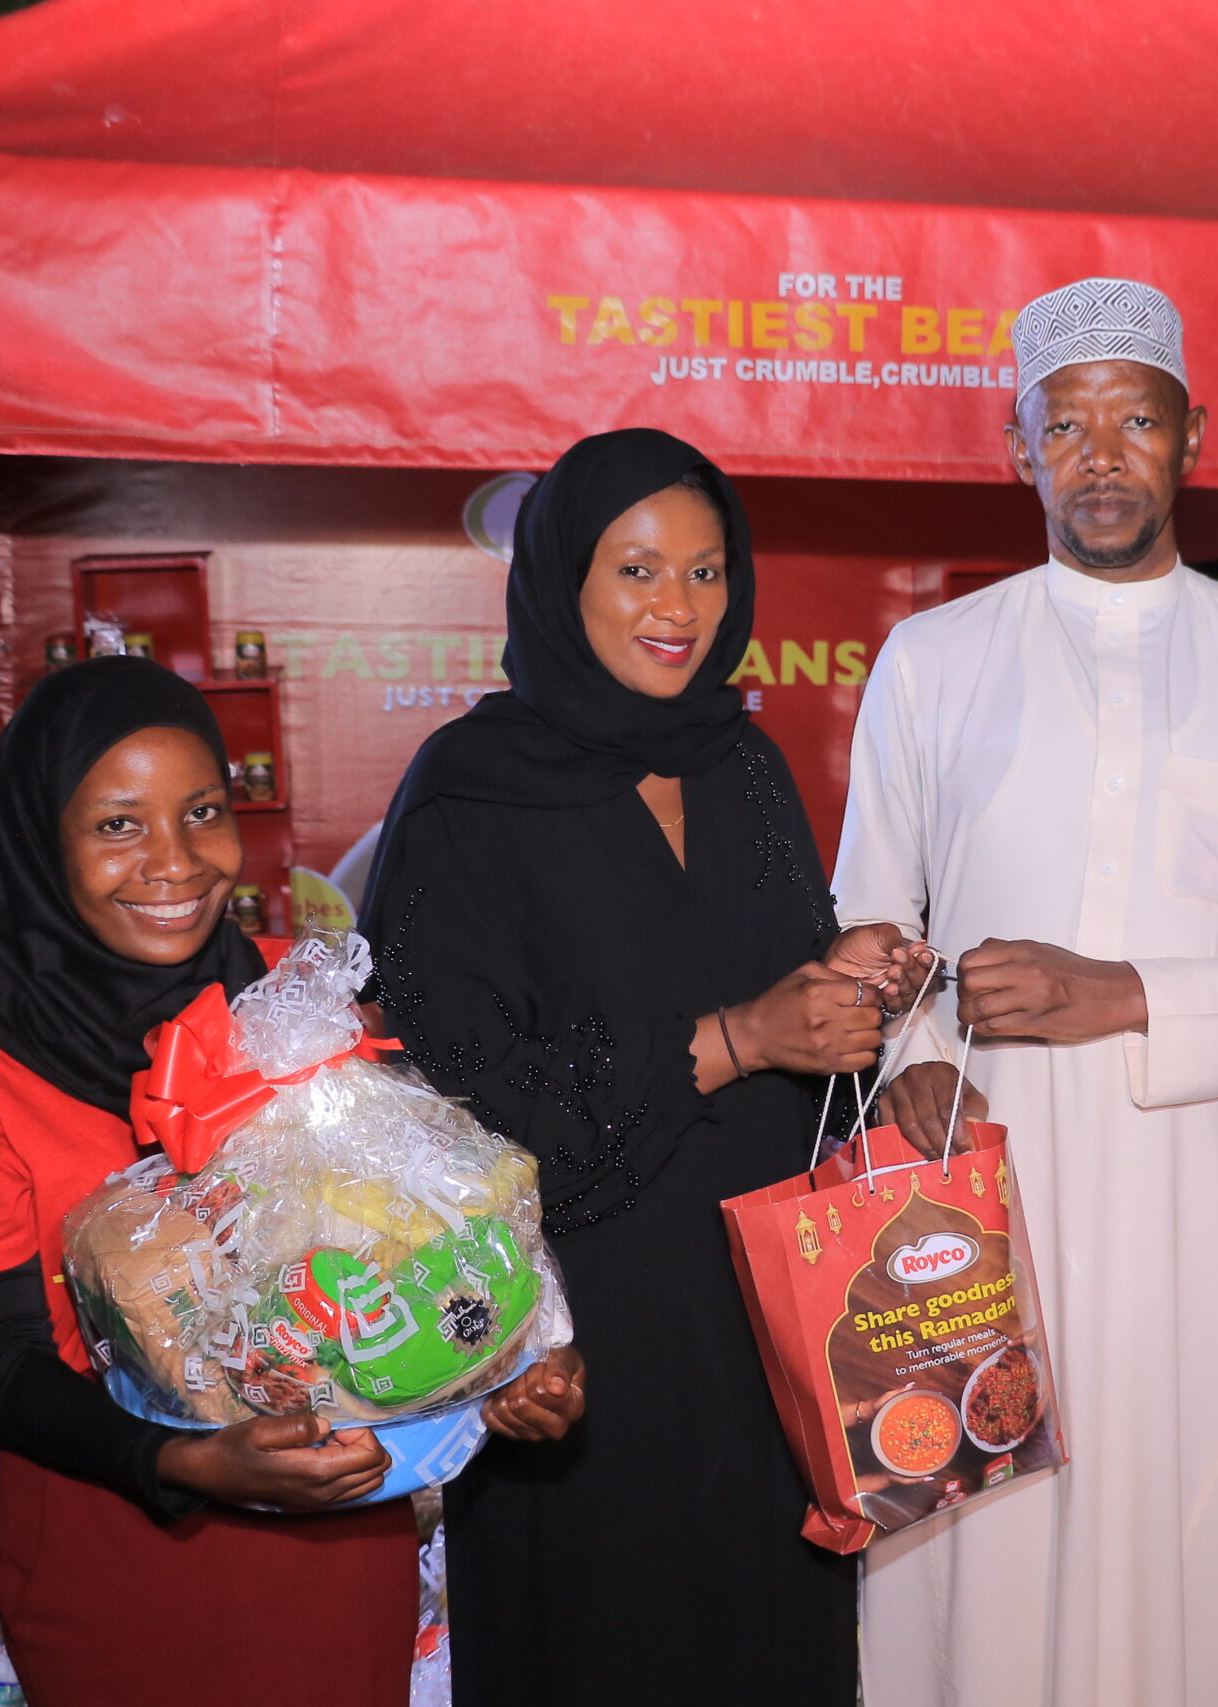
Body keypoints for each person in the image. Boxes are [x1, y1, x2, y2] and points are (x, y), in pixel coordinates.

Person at [830, 278, 1218, 1707]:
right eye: (1067, 425)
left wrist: (1132, 991)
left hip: (1204, 1201)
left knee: (1188, 1565)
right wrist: (909, 1046)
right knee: (972, 1566)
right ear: (1019, 448)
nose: (1101, 455)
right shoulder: (934, 659)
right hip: (972, 1189)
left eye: (1134, 420)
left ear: (1192, 438)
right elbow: (870, 915)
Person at [0, 657, 579, 1706]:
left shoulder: (290, 998)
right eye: (119, 824)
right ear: (40, 840)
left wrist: (507, 1361)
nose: (175, 863)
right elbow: (5, 1368)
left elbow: (412, 1238)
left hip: (334, 1526)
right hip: (116, 1541)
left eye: (201, 813)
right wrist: (190, 1465)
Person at [360, 428, 907, 1707]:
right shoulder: (468, 794)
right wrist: (735, 1040)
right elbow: (458, 1114)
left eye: (708, 574)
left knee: (778, 1652)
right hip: (574, 1353)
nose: (679, 609)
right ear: (563, 579)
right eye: (640, 571)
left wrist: (850, 981)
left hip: (770, 1327)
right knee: (601, 1649)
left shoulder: (748, 766)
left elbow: (792, 1007)